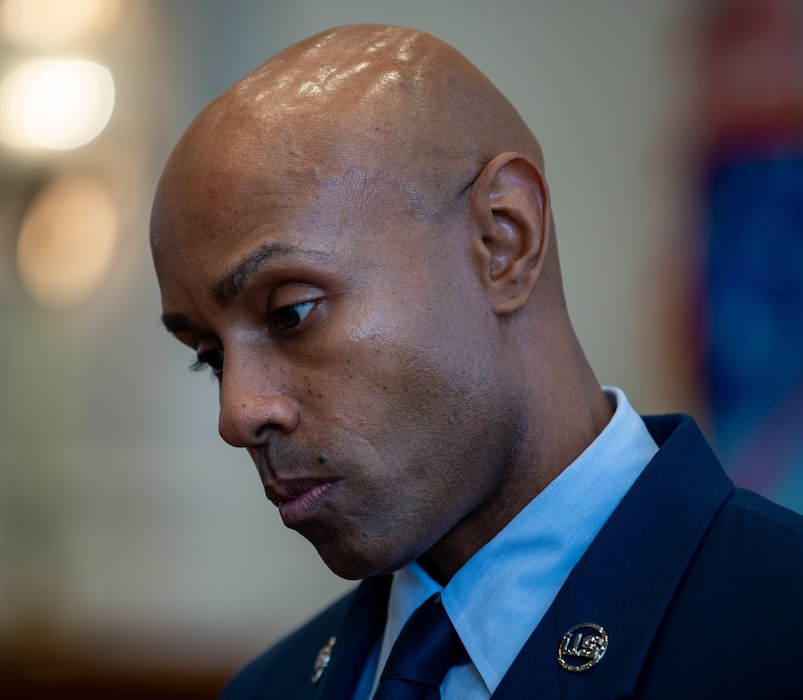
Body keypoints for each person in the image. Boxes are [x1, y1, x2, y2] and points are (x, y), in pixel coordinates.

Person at [149, 24, 803, 699]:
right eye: (209, 356)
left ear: (502, 241)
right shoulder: (267, 690)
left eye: (290, 312)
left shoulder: (781, 633)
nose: (237, 414)